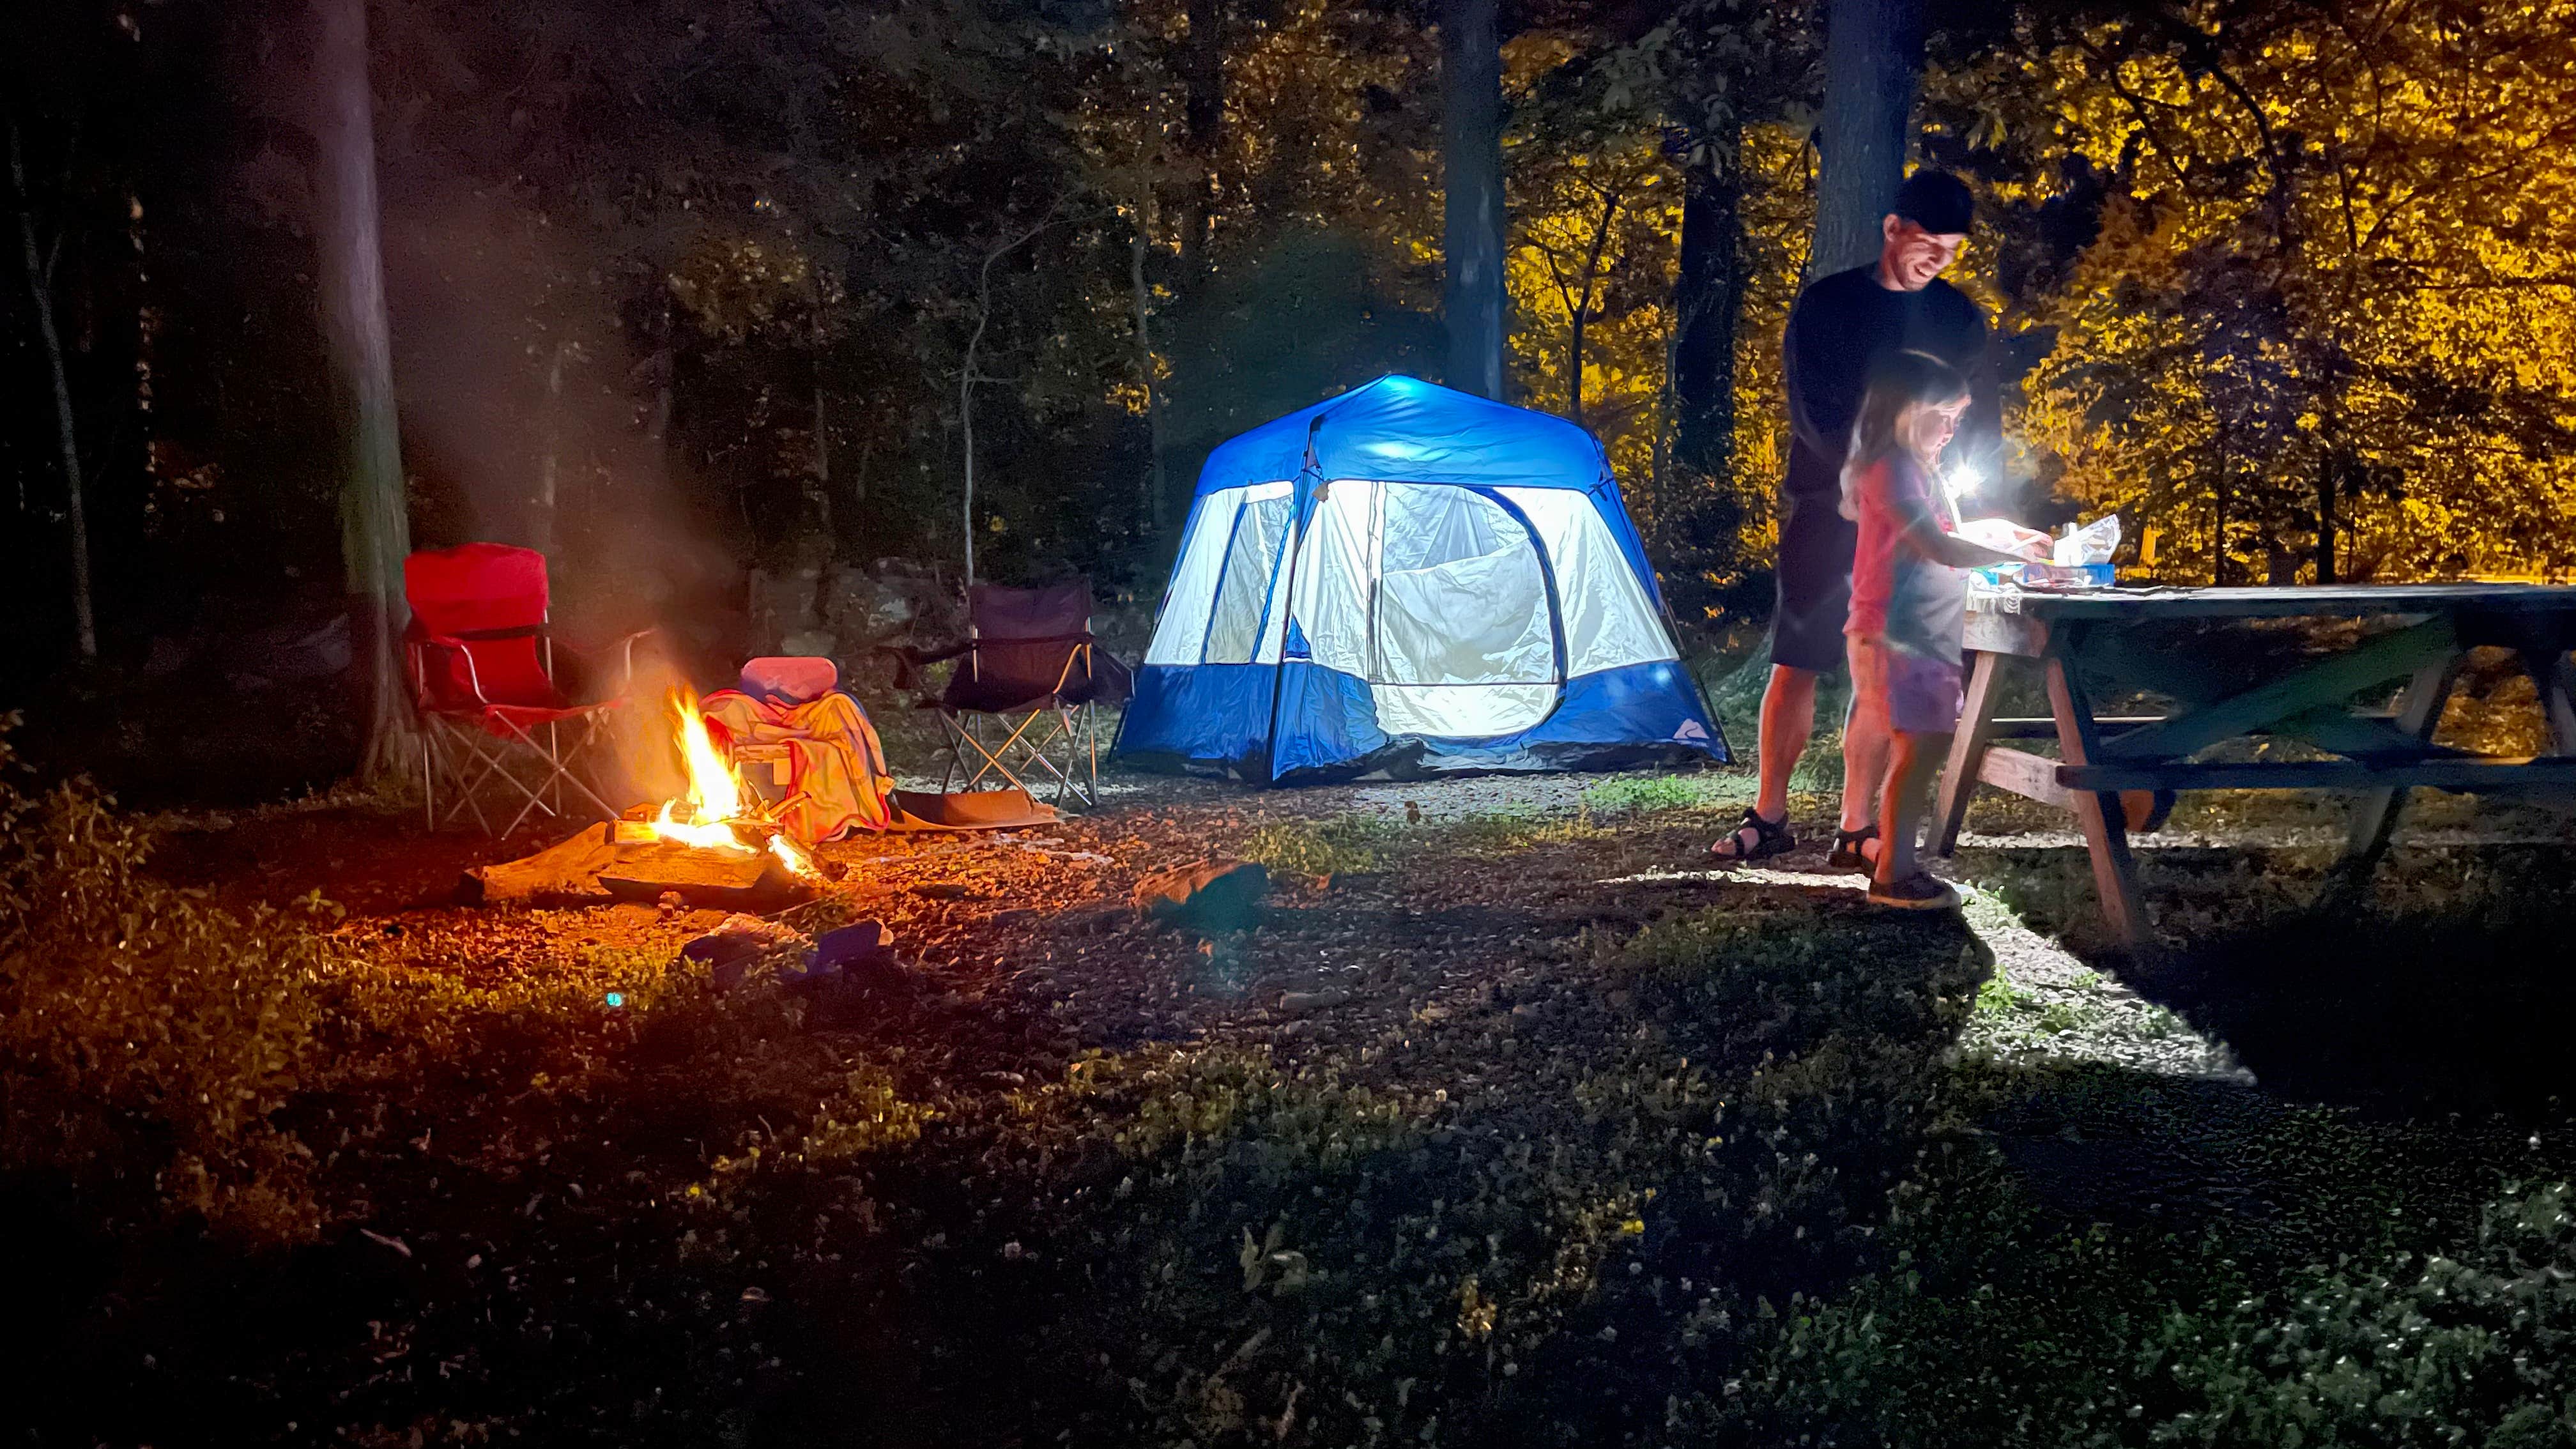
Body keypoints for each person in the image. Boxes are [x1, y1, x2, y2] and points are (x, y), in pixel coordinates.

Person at [1712, 169, 1998, 866]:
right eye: (1926, 242)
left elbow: (1975, 410)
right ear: (1893, 230)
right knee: (1800, 658)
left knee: (1886, 664)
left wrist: (1969, 502)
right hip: (1827, 502)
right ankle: (1770, 813)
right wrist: (1861, 474)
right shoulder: (1831, 304)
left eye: (1951, 249)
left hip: (1916, 515)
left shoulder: (1958, 318)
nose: (1936, 259)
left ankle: (1857, 825)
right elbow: (1812, 405)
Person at [1839, 350, 2044, 907]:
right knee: (1919, 749)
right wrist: (2013, 562)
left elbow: (1946, 527)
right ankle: (1894, 876)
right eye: (1944, 414)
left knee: (1919, 747)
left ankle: (1884, 858)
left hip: (1918, 636)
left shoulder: (1917, 469)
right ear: (1906, 408)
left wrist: (2009, 535)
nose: (1953, 429)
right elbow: (1935, 543)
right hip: (1894, 634)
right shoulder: (1891, 468)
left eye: (1960, 417)